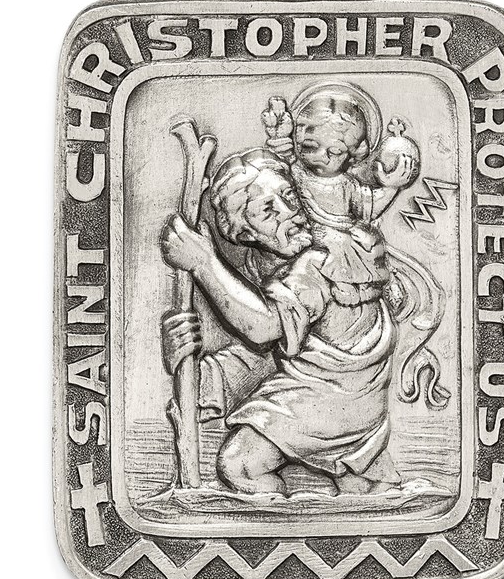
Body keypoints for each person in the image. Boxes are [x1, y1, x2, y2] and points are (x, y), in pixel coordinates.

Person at [160, 148, 401, 497]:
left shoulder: (321, 258)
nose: (290, 213)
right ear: (246, 233)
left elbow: (265, 329)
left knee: (240, 465)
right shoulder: (268, 269)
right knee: (364, 490)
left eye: (289, 196)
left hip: (335, 395)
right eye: (268, 211)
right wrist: (188, 365)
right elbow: (258, 357)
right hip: (337, 395)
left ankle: (283, 519)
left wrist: (203, 263)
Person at [260, 82, 418, 308]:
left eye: (334, 151)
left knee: (367, 243)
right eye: (309, 146)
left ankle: (369, 288)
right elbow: (280, 159)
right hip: (313, 236)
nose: (320, 156)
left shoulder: (348, 184)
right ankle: (339, 286)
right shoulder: (296, 173)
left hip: (346, 237)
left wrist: (392, 187)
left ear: (353, 155)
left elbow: (369, 207)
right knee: (333, 248)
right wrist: (279, 135)